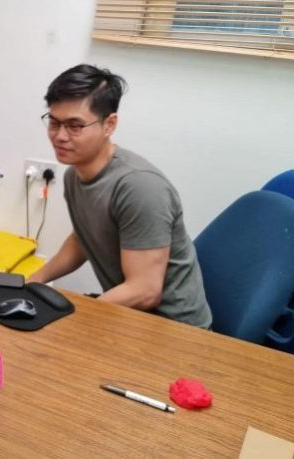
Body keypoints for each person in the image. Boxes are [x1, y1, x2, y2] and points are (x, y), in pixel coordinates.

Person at [28, 64, 212, 329]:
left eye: (75, 125)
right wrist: (36, 279)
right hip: (130, 316)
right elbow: (83, 237)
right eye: (54, 122)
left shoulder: (139, 187)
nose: (60, 136)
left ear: (109, 124)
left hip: (174, 331)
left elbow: (146, 290)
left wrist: (81, 319)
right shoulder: (75, 175)